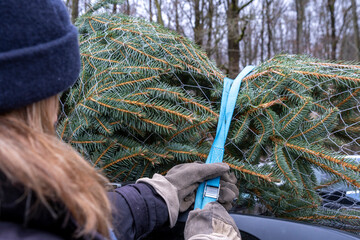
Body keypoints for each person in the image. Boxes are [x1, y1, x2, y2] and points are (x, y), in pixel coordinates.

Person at [0, 0, 241, 239]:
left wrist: (158, 196)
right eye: (55, 96)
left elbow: (80, 223)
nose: (55, 116)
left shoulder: (22, 200)